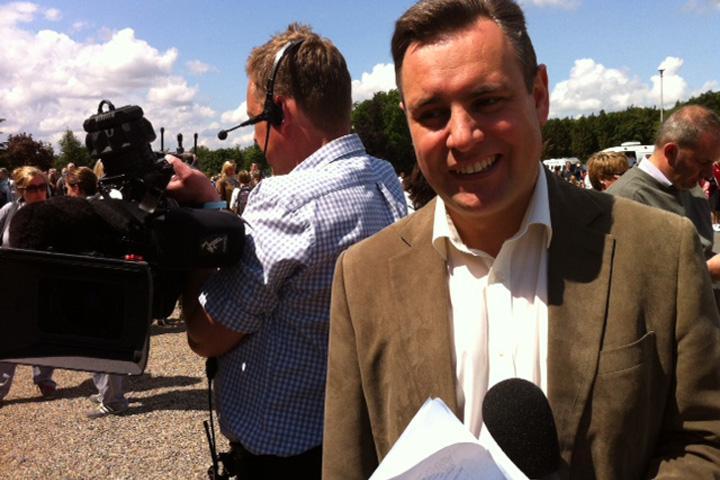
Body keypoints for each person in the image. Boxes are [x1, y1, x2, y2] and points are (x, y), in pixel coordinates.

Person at [322, 1, 720, 479]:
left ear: (539, 96)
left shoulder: (659, 249)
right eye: (432, 113)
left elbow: (705, 440)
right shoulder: (362, 275)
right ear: (407, 122)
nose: (462, 136)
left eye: (487, 101)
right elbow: (347, 464)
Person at [171, 23, 406, 478]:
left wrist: (200, 228)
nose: (258, 145)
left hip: (284, 461)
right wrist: (217, 205)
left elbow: (204, 335)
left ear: (281, 113)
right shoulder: (383, 178)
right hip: (358, 440)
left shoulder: (285, 202)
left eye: (255, 123)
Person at [608, 105, 720, 280]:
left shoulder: (693, 190)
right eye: (703, 162)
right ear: (671, 152)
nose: (709, 174)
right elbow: (627, 282)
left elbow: (699, 253)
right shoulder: (624, 199)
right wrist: (707, 271)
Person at [64, 167, 130, 418]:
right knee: (102, 341)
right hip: (108, 280)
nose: (68, 194)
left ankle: (114, 400)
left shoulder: (84, 211)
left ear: (77, 188)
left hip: (98, 282)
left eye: (69, 189)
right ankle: (107, 391)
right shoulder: (106, 205)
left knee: (103, 343)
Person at [0, 166, 58, 403]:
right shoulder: (9, 211)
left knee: (45, 331)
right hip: (12, 281)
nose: (39, 193)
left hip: (45, 281)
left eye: (42, 187)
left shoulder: (54, 213)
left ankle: (44, 377)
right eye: (32, 188)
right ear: (21, 190)